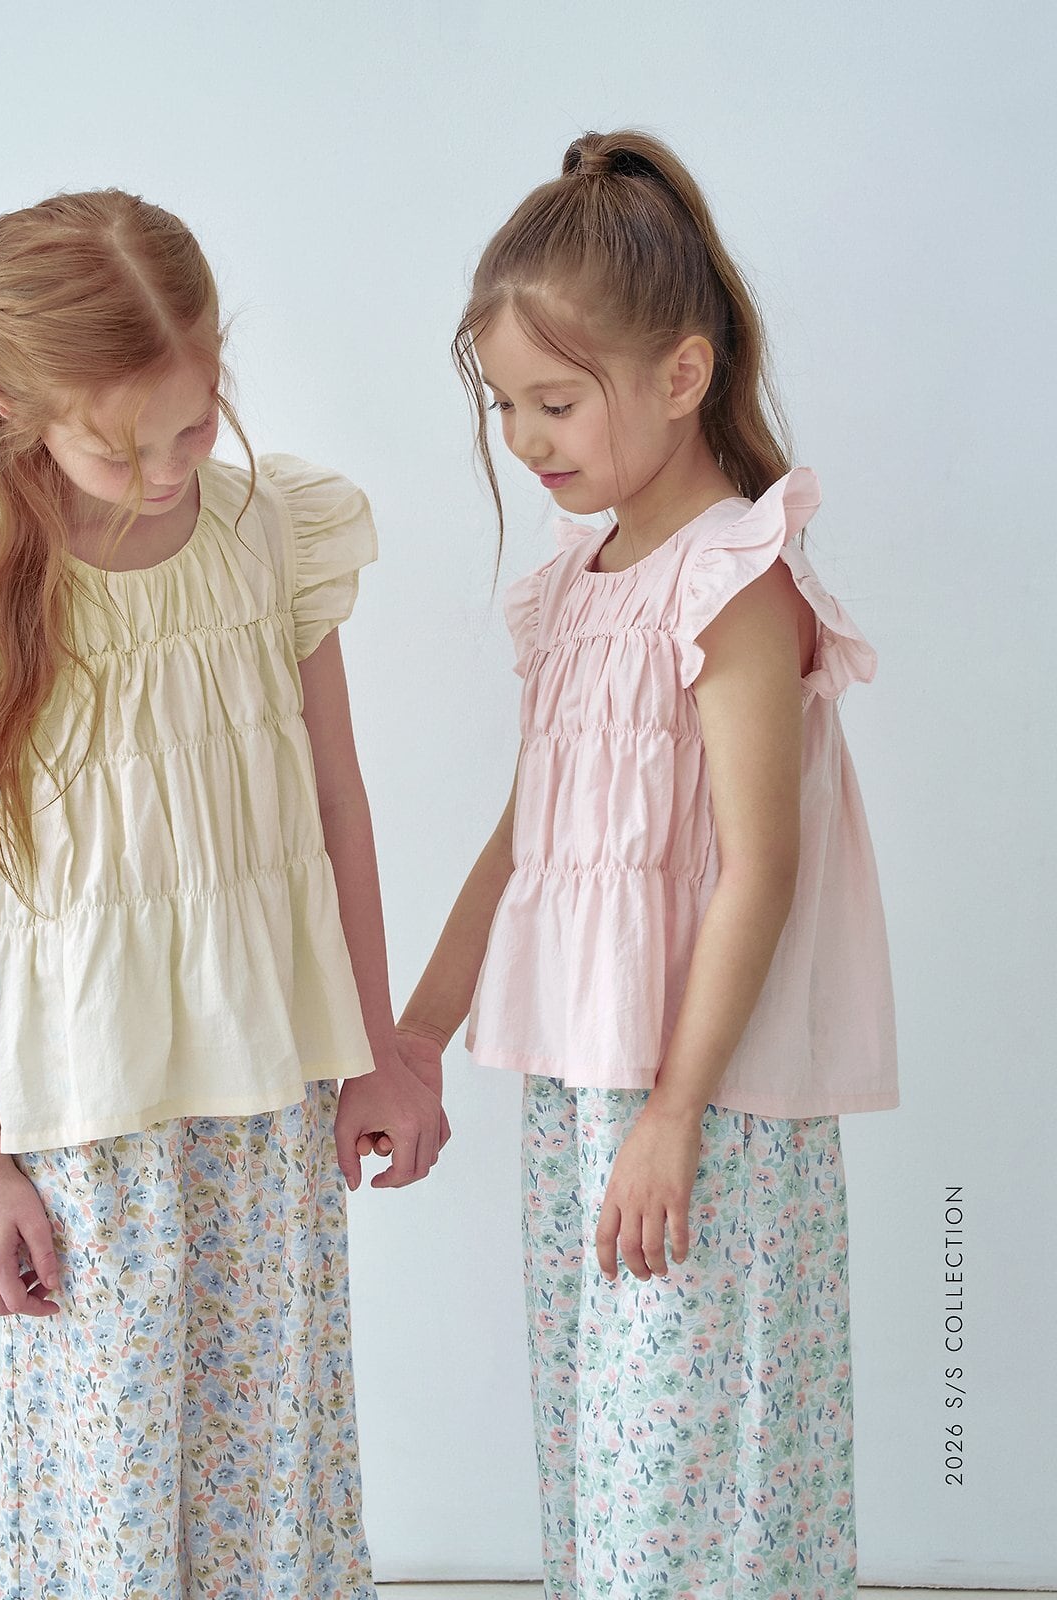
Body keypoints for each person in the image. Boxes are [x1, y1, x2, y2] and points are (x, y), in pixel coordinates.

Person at [0, 188, 446, 1600]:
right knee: (108, 1495)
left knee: (274, 1481)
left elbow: (337, 805)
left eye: (195, 422)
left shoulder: (270, 537)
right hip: (85, 1123)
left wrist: (376, 1049)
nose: (172, 468)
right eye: (122, 447)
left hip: (273, 1094)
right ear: (12, 409)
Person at [394, 130, 898, 1597]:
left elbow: (761, 868)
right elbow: (528, 838)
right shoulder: (576, 588)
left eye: (556, 402)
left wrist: (674, 1114)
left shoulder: (734, 580)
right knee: (608, 1462)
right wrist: (419, 1034)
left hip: (705, 1099)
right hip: (585, 1092)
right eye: (504, 406)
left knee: (697, 1466)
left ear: (682, 376)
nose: (525, 438)